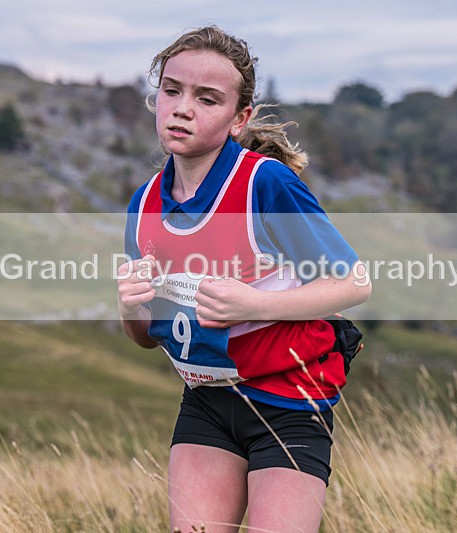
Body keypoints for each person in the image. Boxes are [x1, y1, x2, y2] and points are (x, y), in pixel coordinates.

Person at [116, 26, 371, 533]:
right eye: (172, 90)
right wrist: (129, 306)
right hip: (206, 401)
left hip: (290, 400)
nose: (183, 108)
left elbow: (355, 283)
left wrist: (253, 303)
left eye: (207, 99)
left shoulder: (265, 183)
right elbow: (145, 338)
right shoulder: (144, 205)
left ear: (240, 118)